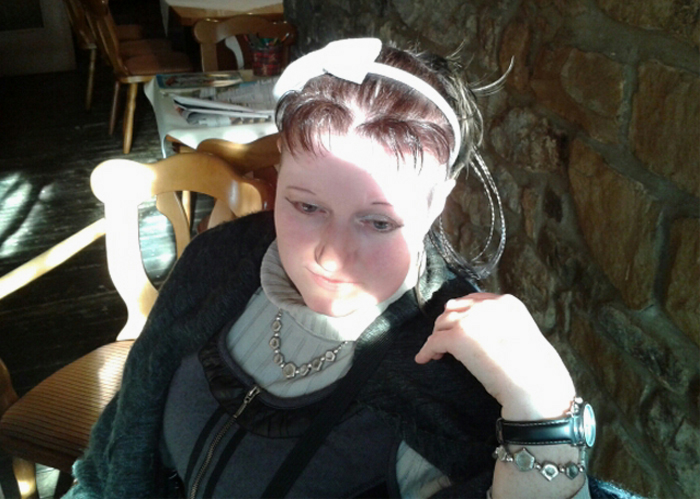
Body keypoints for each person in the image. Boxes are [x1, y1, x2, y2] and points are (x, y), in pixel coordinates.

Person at [65, 38, 637, 498]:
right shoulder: (219, 258)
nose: (328, 255)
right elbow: (117, 447)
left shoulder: (445, 379)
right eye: (306, 206)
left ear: (439, 202)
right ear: (279, 171)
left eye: (378, 222)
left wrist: (543, 421)